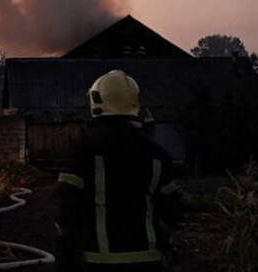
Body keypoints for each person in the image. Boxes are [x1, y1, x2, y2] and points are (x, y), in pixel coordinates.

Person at [56, 70, 180, 271]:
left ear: (96, 103)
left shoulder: (82, 153)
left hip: (96, 261)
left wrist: (67, 256)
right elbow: (172, 211)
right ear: (136, 104)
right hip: (148, 261)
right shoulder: (158, 156)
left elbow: (66, 210)